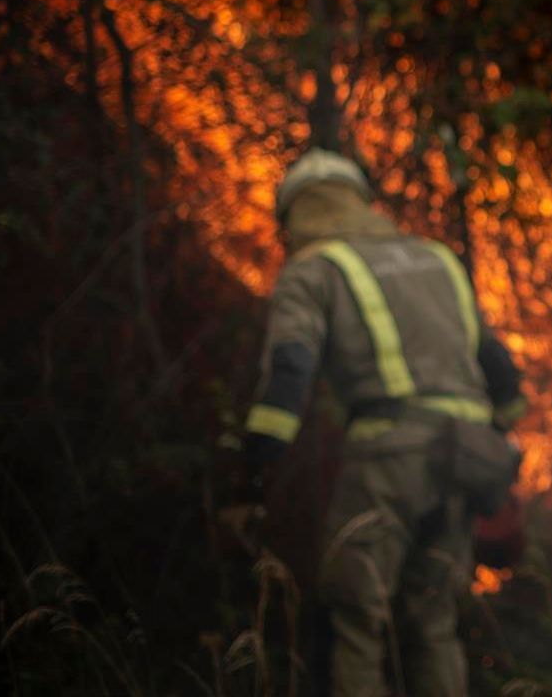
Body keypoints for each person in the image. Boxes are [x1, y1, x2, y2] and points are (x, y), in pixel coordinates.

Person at [219, 148, 527, 697]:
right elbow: (500, 370)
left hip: (389, 458)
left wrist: (253, 476)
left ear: (291, 216)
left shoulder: (313, 271)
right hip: (464, 457)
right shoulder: (437, 259)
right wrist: (499, 447)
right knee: (434, 623)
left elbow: (289, 374)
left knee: (357, 618)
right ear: (362, 201)